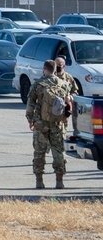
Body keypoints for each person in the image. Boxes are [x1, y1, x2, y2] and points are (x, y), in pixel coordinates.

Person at [26, 60, 70, 189]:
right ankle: (59, 181)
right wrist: (65, 118)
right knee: (58, 152)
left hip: (41, 123)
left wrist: (30, 120)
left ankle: (39, 181)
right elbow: (67, 103)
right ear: (55, 70)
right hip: (57, 123)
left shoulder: (38, 85)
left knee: (39, 152)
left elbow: (30, 105)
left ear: (45, 69)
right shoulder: (64, 84)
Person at [55, 56, 79, 136]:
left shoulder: (68, 78)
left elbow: (75, 91)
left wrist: (70, 97)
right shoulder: (51, 77)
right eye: (55, 65)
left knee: (62, 135)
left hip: (64, 111)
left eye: (59, 65)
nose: (57, 67)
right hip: (52, 110)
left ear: (64, 66)